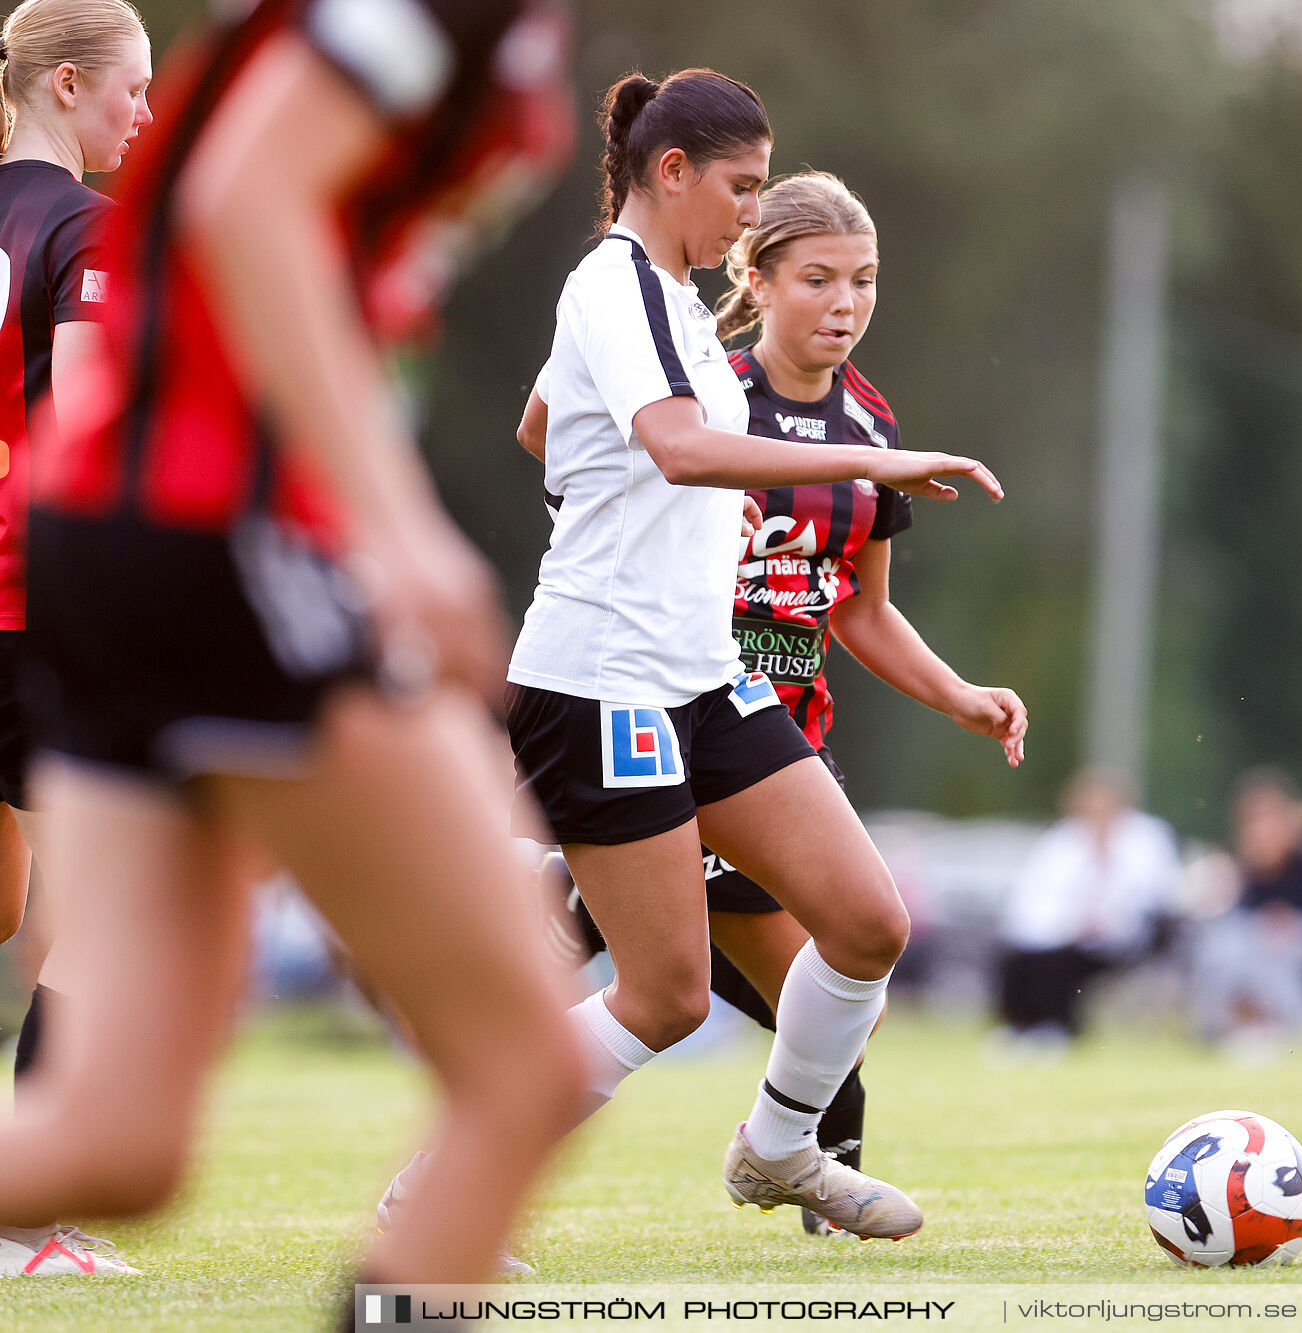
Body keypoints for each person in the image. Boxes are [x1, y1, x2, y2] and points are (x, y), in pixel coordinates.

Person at [1, 0, 588, 1307]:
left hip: (114, 534)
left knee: (115, 1142)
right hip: (218, 534)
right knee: (521, 1067)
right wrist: (394, 526)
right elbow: (245, 196)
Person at [491, 68, 1001, 1243]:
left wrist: (603, 478)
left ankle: (778, 1149)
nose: (748, 214)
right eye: (742, 188)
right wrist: (867, 467)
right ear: (670, 174)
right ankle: (443, 1184)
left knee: (869, 922)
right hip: (605, 679)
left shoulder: (670, 301)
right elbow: (676, 446)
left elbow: (545, 424)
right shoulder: (612, 286)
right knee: (664, 996)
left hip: (702, 673)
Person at [0, 0, 151, 1279]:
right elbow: (90, 425)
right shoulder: (83, 228)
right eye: (131, 91)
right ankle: (19, 1222)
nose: (143, 116)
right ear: (64, 86)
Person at [995, 769, 1179, 1046]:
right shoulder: (1062, 841)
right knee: (1021, 959)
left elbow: (1159, 894)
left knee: (1062, 962)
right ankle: (1020, 1025)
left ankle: (1057, 1027)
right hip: (1062, 932)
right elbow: (1035, 895)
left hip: (1124, 939)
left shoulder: (1146, 838)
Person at [1187, 767, 1302, 1049]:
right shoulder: (1244, 872)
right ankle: (1233, 1023)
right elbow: (1236, 914)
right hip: (1252, 944)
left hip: (1297, 945)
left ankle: (1277, 1023)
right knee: (1223, 946)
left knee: (1275, 951)